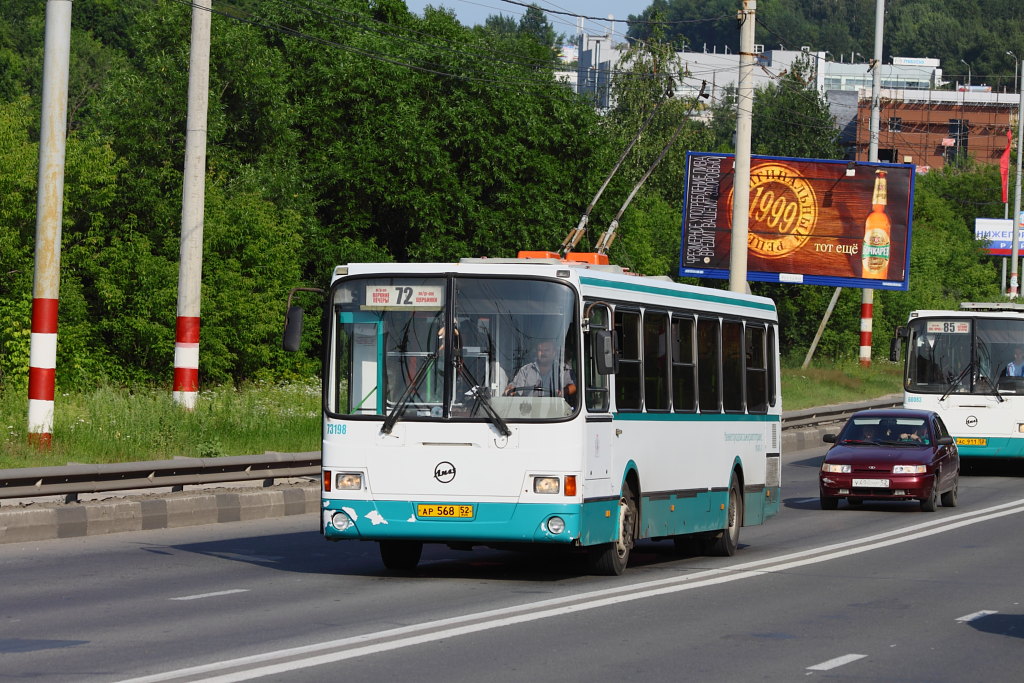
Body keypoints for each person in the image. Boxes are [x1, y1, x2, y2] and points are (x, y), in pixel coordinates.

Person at [504, 340, 577, 399]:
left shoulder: (562, 369)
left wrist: (564, 391)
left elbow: (573, 385)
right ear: (536, 353)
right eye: (540, 350)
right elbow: (515, 387)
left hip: (556, 411)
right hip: (528, 411)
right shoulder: (525, 370)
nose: (543, 353)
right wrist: (511, 388)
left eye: (546, 350)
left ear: (554, 353)